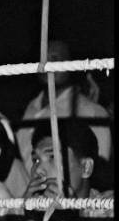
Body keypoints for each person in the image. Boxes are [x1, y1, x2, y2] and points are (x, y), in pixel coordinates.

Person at [15, 40, 113, 172]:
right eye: (42, 58)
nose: (46, 64)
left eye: (54, 59)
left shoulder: (91, 111)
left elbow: (99, 167)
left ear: (71, 64)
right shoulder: (30, 107)